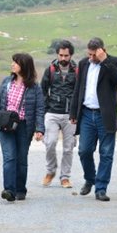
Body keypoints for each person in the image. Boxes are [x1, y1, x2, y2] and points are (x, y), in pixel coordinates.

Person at [69, 37, 117, 202]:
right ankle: (90, 178)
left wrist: (104, 61)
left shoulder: (114, 61)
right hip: (86, 113)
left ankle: (101, 188)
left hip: (105, 115)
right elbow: (78, 88)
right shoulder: (83, 63)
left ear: (102, 50)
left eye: (94, 55)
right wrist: (74, 112)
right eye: (90, 54)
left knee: (106, 153)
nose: (91, 58)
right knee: (84, 150)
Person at [0, 53, 45, 202]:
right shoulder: (6, 82)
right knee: (9, 157)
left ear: (24, 65)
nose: (12, 65)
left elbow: (40, 109)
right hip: (6, 125)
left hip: (24, 126)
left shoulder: (35, 87)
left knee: (21, 159)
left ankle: (20, 189)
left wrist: (39, 129)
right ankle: (9, 189)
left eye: (15, 62)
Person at [40, 40, 78, 189]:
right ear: (57, 54)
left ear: (70, 55)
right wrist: (43, 113)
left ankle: (65, 177)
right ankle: (50, 171)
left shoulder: (77, 71)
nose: (63, 58)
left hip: (70, 114)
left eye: (66, 55)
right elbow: (42, 92)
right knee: (50, 143)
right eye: (61, 55)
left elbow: (80, 93)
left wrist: (77, 115)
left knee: (68, 148)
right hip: (52, 113)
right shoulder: (49, 70)